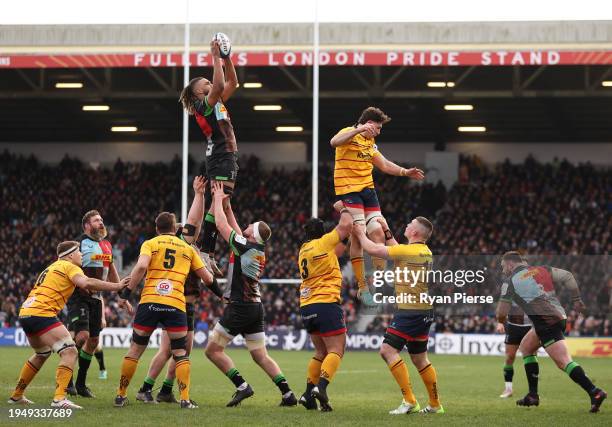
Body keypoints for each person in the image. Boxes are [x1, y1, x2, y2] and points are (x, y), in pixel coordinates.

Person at [114, 211, 222, 409]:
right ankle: (184, 399)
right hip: (175, 304)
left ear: (157, 229)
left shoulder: (150, 243)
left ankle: (121, 396)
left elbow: (140, 268)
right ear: (176, 229)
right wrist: (222, 295)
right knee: (180, 352)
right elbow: (207, 278)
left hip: (149, 302)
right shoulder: (187, 248)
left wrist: (126, 294)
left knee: (135, 350)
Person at [204, 182, 297, 407]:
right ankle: (288, 394)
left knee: (212, 351)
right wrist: (227, 204)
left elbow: (220, 224)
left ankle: (242, 386)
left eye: (250, 226)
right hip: (255, 307)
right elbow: (230, 222)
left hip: (240, 307)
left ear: (252, 234)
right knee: (260, 356)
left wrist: (216, 197)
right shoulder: (253, 247)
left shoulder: (245, 247)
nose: (245, 226)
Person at [8, 241, 127, 409]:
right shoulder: (70, 266)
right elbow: (86, 282)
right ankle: (59, 399)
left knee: (41, 353)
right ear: (70, 255)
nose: (81, 255)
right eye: (79, 252)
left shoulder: (52, 267)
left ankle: (17, 396)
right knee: (70, 351)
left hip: (27, 312)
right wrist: (117, 286)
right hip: (42, 312)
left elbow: (82, 287)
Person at [330, 107, 424, 305]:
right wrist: (358, 129)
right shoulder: (348, 133)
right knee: (360, 232)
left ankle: (376, 281)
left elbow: (384, 164)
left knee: (378, 231)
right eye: (378, 128)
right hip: (349, 189)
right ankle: (363, 287)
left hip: (368, 191)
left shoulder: (370, 141)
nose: (380, 132)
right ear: (369, 124)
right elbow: (333, 142)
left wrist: (405, 172)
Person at [496, 251, 607, 413]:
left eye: (503, 266)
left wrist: (500, 321)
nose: (503, 270)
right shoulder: (542, 269)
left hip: (546, 322)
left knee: (564, 362)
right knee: (526, 347)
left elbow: (501, 312)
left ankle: (595, 392)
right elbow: (568, 276)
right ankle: (532, 395)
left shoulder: (509, 282)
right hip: (558, 315)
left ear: (510, 264)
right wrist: (576, 299)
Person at [355, 216, 444, 415]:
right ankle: (435, 404)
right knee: (420, 359)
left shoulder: (408, 250)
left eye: (410, 224)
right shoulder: (423, 251)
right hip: (423, 310)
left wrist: (359, 232)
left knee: (387, 350)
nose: (406, 225)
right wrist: (386, 230)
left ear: (415, 232)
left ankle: (410, 400)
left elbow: (374, 250)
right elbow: (398, 251)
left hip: (410, 311)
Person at [136, 177, 208, 404]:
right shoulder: (180, 243)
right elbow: (194, 220)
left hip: (187, 303)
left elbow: (195, 223)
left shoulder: (186, 245)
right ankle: (146, 389)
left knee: (182, 351)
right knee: (171, 350)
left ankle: (165, 391)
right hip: (175, 301)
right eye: (178, 225)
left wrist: (200, 195)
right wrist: (199, 194)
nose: (183, 227)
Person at [179, 38, 239, 277]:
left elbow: (233, 81)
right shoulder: (204, 105)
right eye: (206, 82)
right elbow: (219, 84)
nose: (211, 81)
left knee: (222, 202)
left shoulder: (216, 100)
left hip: (224, 154)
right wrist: (215, 57)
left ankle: (209, 251)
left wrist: (226, 58)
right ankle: (206, 250)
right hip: (221, 154)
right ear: (198, 92)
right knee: (221, 201)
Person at [297, 207, 353, 412]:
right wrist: (346, 207)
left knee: (320, 351)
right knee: (336, 350)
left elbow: (337, 251)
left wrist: (346, 240)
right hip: (326, 302)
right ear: (323, 233)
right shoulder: (323, 242)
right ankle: (321, 388)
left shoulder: (304, 249)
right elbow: (345, 225)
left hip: (307, 305)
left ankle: (307, 395)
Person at [65, 209, 119, 398]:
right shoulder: (77, 244)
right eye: (97, 220)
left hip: (97, 298)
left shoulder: (106, 246)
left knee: (94, 341)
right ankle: (66, 380)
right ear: (87, 225)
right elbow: (65, 267)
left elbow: (111, 270)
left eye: (102, 220)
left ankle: (80, 384)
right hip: (78, 296)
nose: (101, 223)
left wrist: (121, 293)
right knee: (81, 337)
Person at [495, 304, 532, 398]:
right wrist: (500, 322)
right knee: (509, 357)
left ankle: (533, 392)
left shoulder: (535, 290)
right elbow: (502, 306)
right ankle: (508, 389)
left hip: (531, 327)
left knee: (531, 359)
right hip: (513, 327)